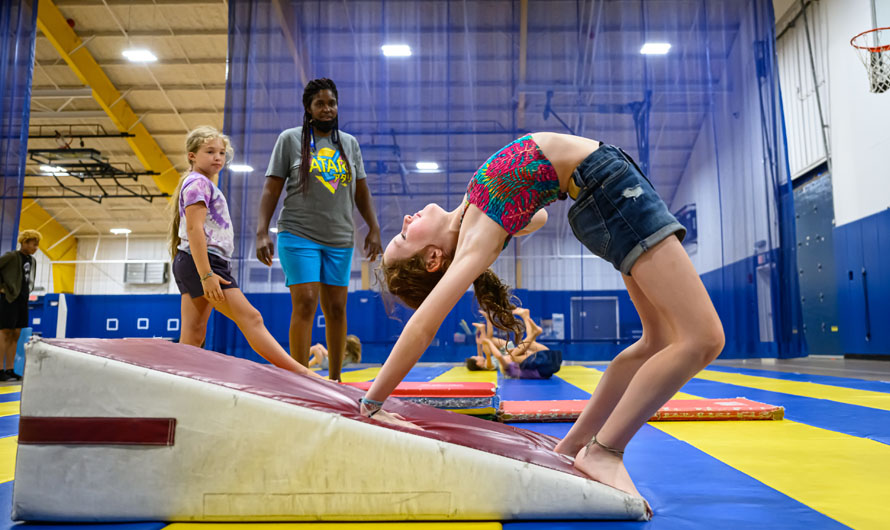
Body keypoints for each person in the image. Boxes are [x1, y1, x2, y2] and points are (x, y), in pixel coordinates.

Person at [363, 132, 724, 504]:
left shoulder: (475, 215)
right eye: (405, 235)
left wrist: (514, 204)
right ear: (433, 259)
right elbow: (423, 324)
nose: (406, 219)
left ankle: (572, 446)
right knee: (703, 338)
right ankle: (605, 450)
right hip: (610, 185)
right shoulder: (477, 237)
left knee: (658, 341)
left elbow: (538, 214)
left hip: (603, 191)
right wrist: (372, 403)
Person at [256, 78, 382, 382]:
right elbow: (271, 189)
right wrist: (262, 231)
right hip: (298, 234)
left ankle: (336, 379)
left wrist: (374, 228)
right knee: (307, 301)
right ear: (309, 109)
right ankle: (300, 379)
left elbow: (361, 191)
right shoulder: (290, 139)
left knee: (337, 307)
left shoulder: (348, 143)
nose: (327, 109)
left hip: (339, 238)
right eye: (320, 104)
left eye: (332, 103)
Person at [169, 126, 320, 380]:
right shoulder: (197, 183)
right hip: (204, 263)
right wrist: (206, 275)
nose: (218, 157)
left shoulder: (203, 184)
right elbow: (194, 229)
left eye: (221, 152)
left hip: (198, 261)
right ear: (192, 156)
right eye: (210, 152)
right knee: (252, 318)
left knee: (193, 336)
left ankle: (176, 383)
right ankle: (301, 373)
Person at [467, 308, 562, 379]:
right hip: (544, 367)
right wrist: (486, 339)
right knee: (518, 350)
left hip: (547, 360)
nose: (477, 356)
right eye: (475, 358)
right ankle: (530, 327)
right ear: (478, 364)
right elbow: (496, 355)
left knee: (529, 344)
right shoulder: (493, 366)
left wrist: (480, 342)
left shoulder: (517, 366)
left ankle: (527, 320)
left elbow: (485, 353)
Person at [0, 230, 41, 382]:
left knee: (16, 334)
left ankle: (10, 369)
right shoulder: (11, 256)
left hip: (23, 299)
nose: (35, 247)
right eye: (33, 244)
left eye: (37, 245)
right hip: (9, 298)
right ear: (24, 242)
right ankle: (0, 369)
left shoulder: (32, 260)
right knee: (5, 332)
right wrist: (2, 288)